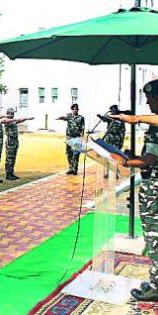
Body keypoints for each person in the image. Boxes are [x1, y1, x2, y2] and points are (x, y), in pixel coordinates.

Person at [112, 79, 158, 301]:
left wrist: (126, 162)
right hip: (152, 189)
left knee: (154, 237)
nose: (148, 102)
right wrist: (132, 158)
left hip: (155, 193)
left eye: (152, 98)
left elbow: (150, 160)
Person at [3, 108, 34, 180]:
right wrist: (15, 120)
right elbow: (7, 121)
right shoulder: (6, 120)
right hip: (10, 142)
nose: (12, 114)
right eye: (11, 113)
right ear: (8, 113)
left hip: (14, 142)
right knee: (9, 158)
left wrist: (27, 118)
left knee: (13, 158)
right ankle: (8, 174)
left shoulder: (13, 121)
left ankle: (11, 172)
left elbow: (19, 120)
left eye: (13, 113)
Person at [57, 104, 85, 175]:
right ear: (71, 109)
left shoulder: (81, 118)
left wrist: (82, 137)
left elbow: (82, 128)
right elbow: (64, 118)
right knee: (69, 153)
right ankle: (70, 168)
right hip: (69, 137)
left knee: (76, 154)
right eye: (73, 109)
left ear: (78, 110)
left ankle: (75, 169)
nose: (75, 110)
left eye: (76, 109)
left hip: (77, 137)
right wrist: (60, 118)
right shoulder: (69, 116)